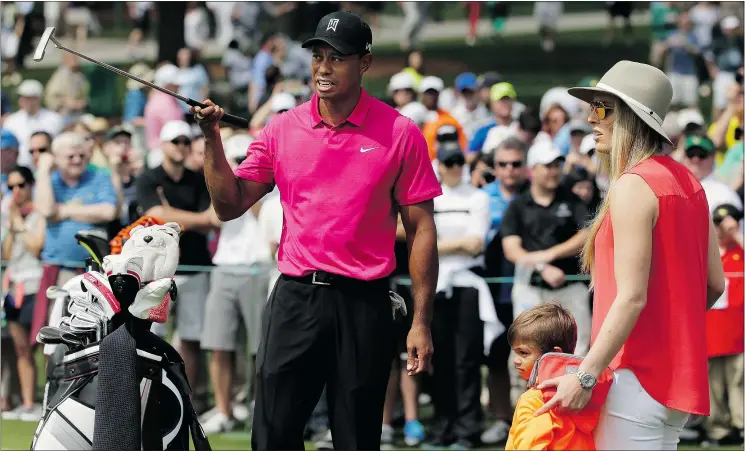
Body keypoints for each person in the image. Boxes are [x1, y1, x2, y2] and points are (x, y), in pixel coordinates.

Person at [192, 11, 441, 450]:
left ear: (364, 63)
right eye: (318, 56)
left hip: (365, 303)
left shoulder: (400, 133)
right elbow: (229, 205)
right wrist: (212, 139)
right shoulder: (282, 129)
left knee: (356, 439)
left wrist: (421, 321)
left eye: (337, 58)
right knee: (271, 437)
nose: (323, 68)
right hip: (296, 298)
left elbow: (421, 230)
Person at [534, 60, 726, 450]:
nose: (590, 118)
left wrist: (585, 375)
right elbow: (714, 285)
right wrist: (669, 328)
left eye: (602, 107)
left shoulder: (634, 185)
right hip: (671, 380)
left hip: (634, 377)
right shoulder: (688, 180)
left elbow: (632, 297)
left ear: (631, 117)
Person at [505, 303, 611, 450]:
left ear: (554, 354)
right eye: (515, 352)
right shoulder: (589, 396)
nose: (515, 360)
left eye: (523, 353)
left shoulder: (535, 400)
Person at [1, 166, 45, 422]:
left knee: (40, 346)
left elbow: (37, 246)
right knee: (20, 348)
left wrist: (18, 224)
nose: (16, 191)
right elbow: (6, 254)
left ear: (30, 185)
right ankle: (28, 403)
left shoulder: (39, 213)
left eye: (21, 185)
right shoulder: (10, 216)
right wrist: (12, 225)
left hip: (35, 284)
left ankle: (46, 401)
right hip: (14, 285)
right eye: (11, 187)